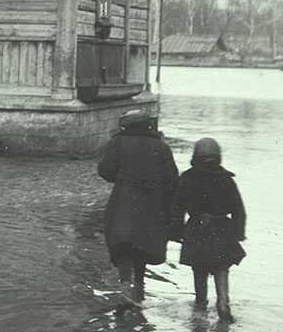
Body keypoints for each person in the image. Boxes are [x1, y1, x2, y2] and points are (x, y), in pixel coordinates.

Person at [97, 110, 178, 309]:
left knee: (124, 243)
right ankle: (140, 288)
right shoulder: (162, 147)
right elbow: (173, 180)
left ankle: (125, 286)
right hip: (153, 203)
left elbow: (105, 170)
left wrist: (122, 174)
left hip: (124, 199)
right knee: (142, 242)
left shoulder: (118, 143)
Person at [170, 137, 247, 321]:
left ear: (196, 156)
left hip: (197, 231)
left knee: (199, 269)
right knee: (222, 268)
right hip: (223, 231)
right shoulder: (227, 179)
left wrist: (177, 233)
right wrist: (238, 234)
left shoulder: (187, 178)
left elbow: (177, 209)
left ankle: (200, 309)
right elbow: (239, 210)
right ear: (218, 156)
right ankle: (223, 306)